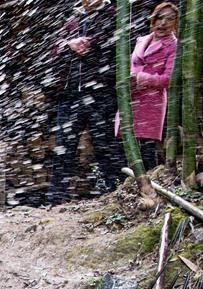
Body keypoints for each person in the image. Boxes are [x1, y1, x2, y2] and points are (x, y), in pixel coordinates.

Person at [47, 0, 126, 206]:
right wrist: (69, 45)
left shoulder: (113, 14)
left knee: (106, 148)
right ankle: (56, 200)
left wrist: (94, 43)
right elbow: (53, 53)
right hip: (70, 95)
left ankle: (115, 196)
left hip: (101, 93)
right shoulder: (72, 21)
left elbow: (122, 48)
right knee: (63, 148)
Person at [115, 2, 179, 170]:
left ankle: (149, 181)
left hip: (151, 102)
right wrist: (127, 80)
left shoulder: (174, 46)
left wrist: (140, 78)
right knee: (125, 146)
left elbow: (168, 79)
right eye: (160, 17)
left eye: (170, 19)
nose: (163, 23)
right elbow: (131, 65)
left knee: (146, 149)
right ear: (153, 19)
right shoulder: (142, 40)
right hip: (130, 97)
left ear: (176, 22)